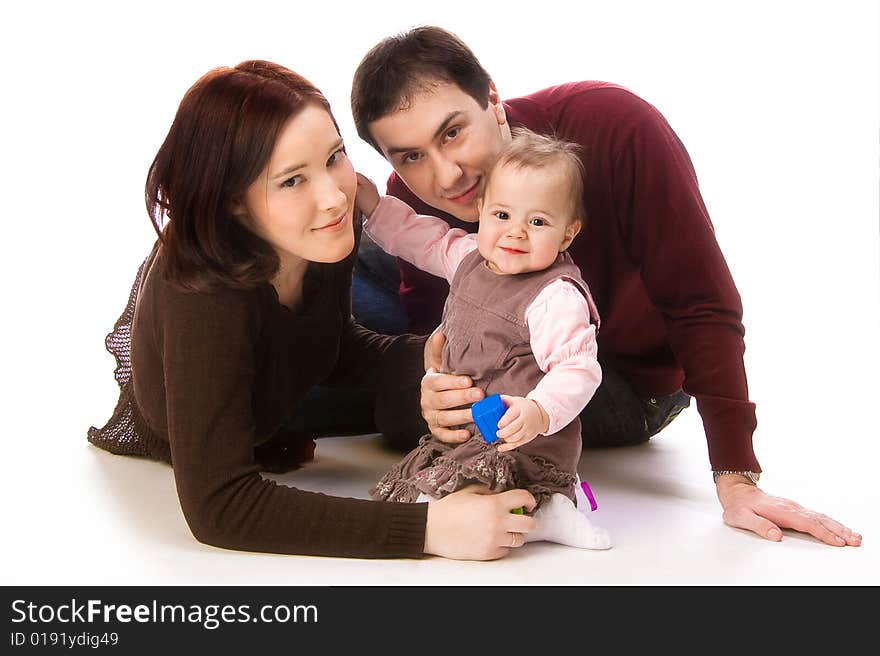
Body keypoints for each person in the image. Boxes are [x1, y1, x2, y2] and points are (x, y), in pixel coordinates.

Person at [349, 26, 861, 547]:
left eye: (453, 132)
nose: (448, 175)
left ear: (493, 100)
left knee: (387, 402)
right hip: (499, 354)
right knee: (345, 244)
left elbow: (699, 301)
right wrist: (435, 381)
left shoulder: (613, 125)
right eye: (409, 156)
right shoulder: (411, 195)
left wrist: (736, 477)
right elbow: (441, 323)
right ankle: (283, 385)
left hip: (614, 378)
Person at [87, 60, 537, 560]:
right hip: (205, 423)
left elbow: (329, 347)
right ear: (234, 202)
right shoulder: (204, 293)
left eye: (333, 157)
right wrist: (428, 529)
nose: (333, 196)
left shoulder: (322, 232)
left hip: (275, 393)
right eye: (291, 181)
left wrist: (434, 358)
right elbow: (219, 506)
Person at [358, 128, 610, 550]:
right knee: (435, 485)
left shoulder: (555, 295)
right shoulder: (470, 257)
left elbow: (577, 368)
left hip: (525, 439)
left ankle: (549, 508)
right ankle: (538, 510)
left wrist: (539, 410)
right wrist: (370, 204)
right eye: (502, 215)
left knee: (483, 488)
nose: (515, 233)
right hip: (470, 430)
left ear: (567, 234)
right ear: (481, 211)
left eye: (538, 221)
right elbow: (421, 237)